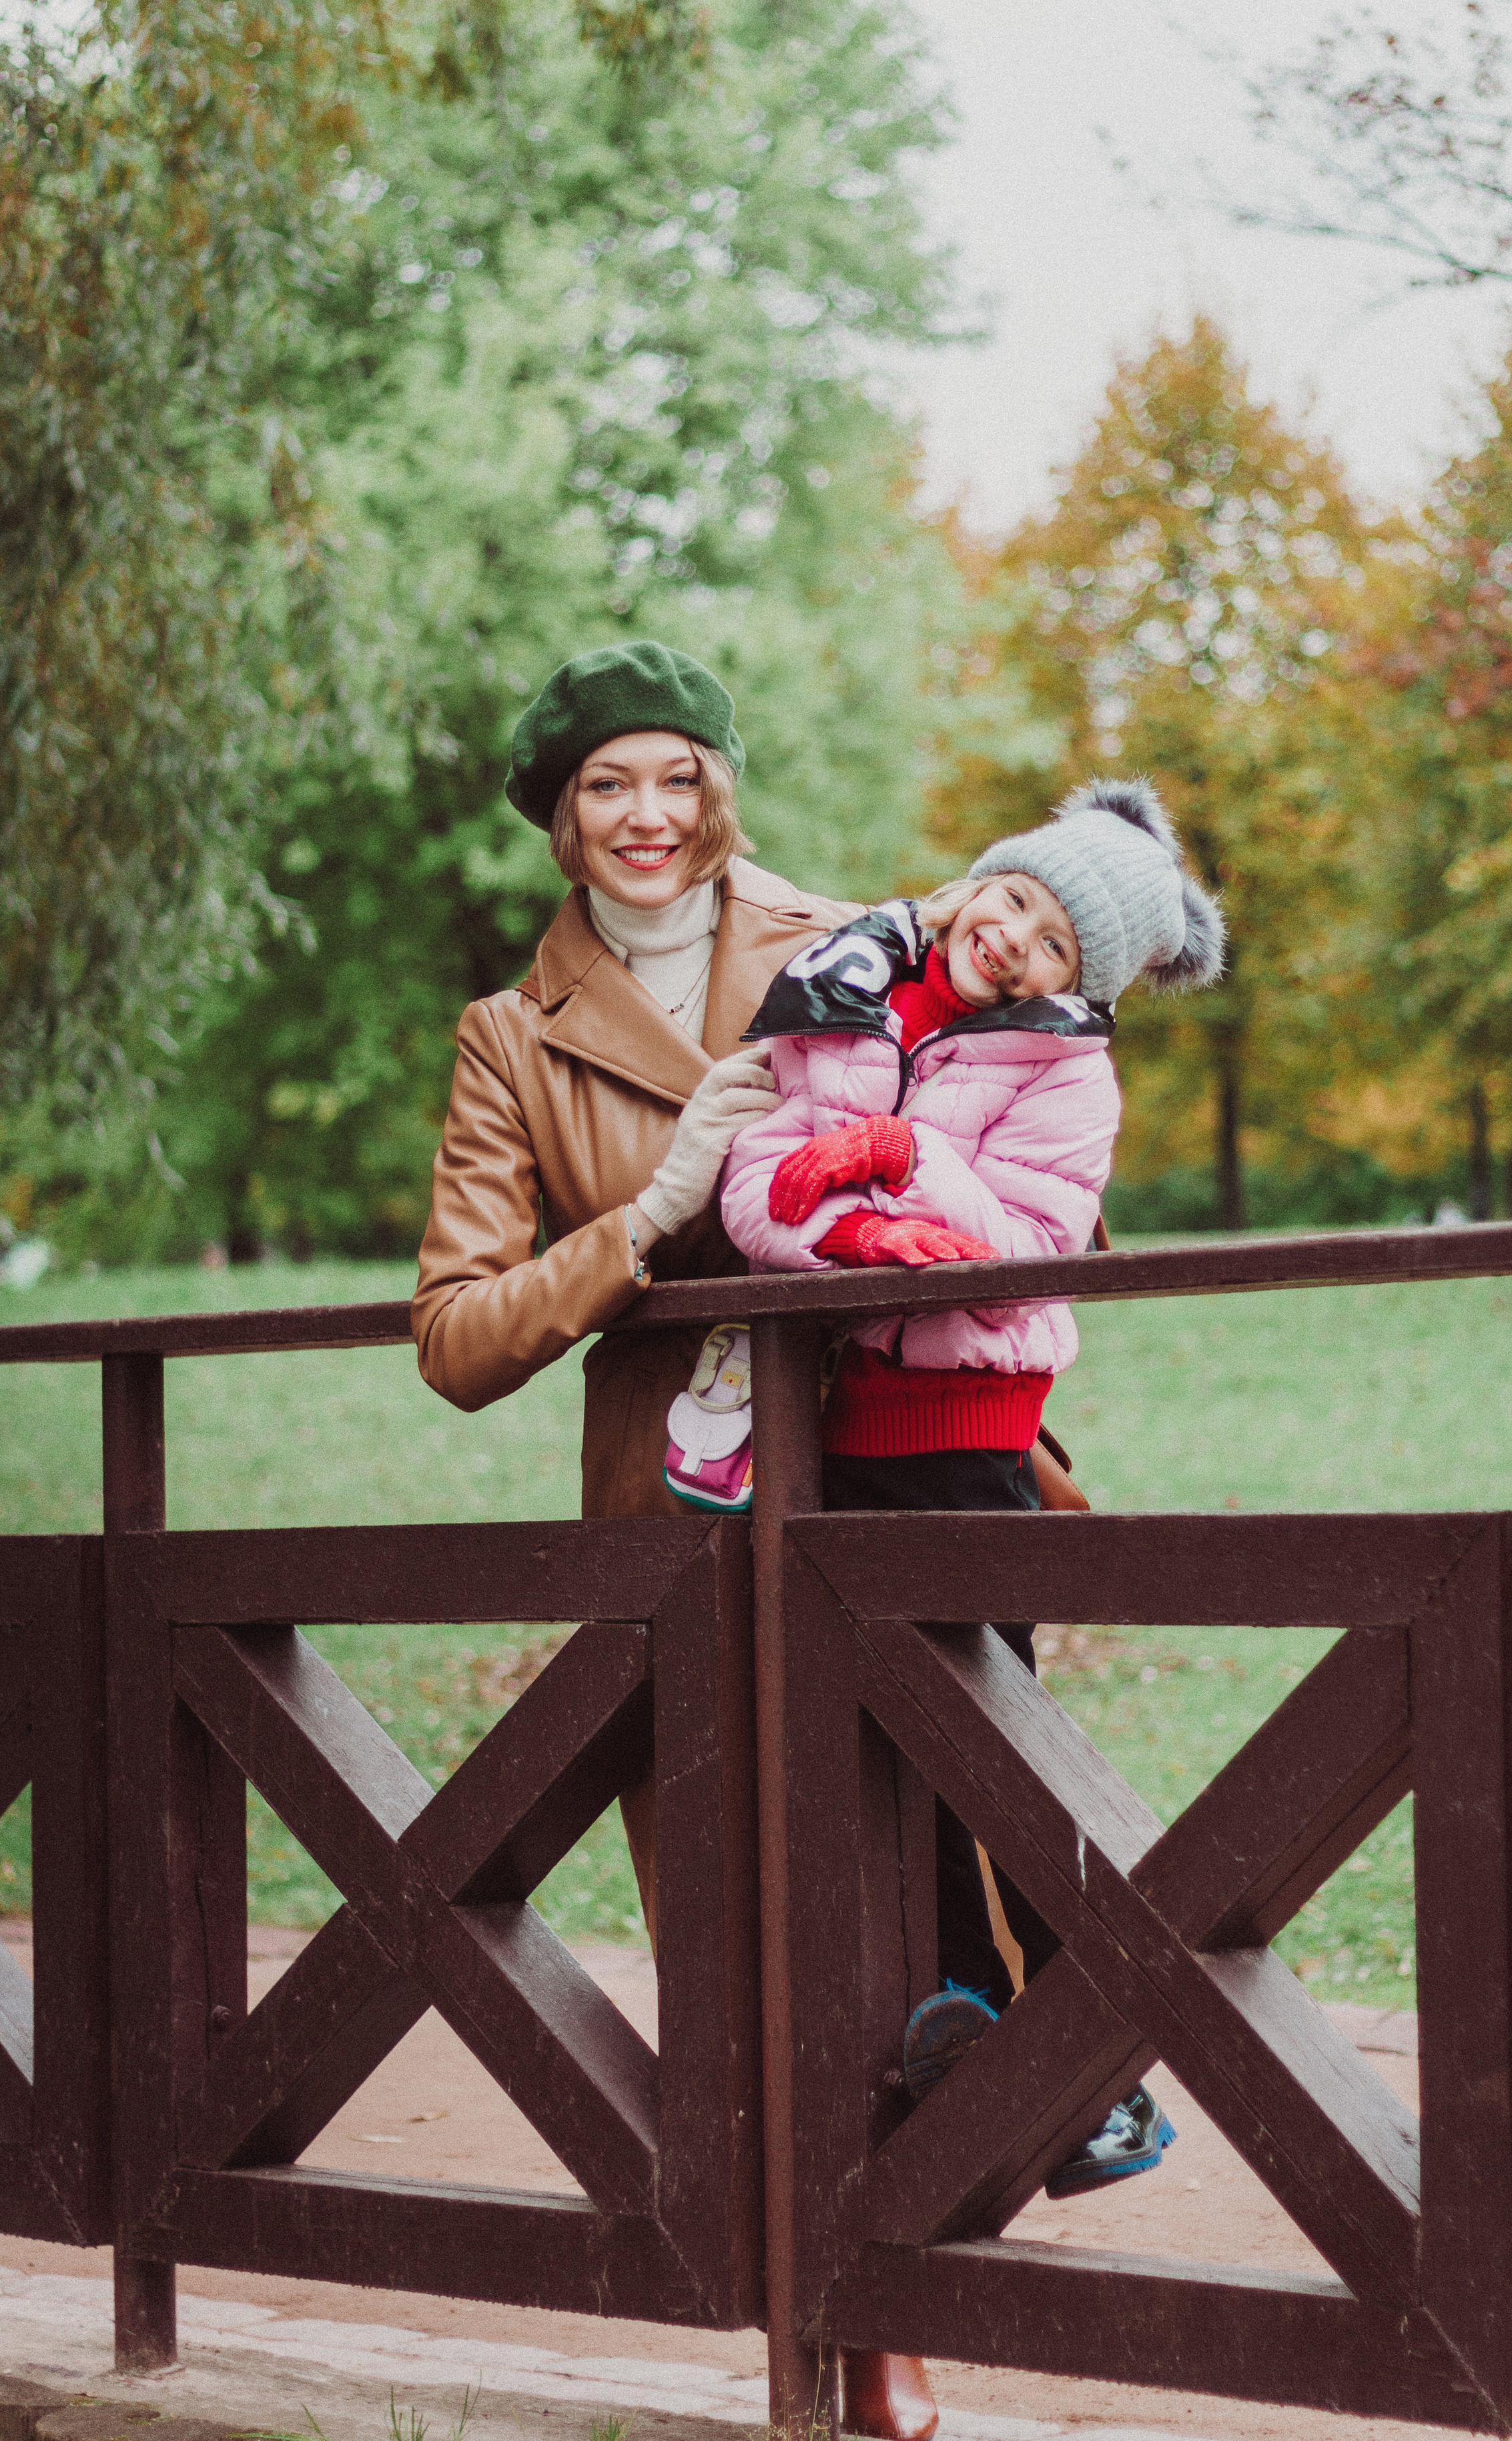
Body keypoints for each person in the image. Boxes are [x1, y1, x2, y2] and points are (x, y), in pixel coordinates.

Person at [412, 640, 936, 2441]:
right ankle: (826, 2318)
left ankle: (892, 2305)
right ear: (560, 822)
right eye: (605, 790)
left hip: (889, 1483)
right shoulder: (511, 1038)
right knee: (734, 1940)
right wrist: (645, 1214)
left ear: (723, 783)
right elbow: (460, 1337)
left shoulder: (855, 939)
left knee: (919, 1901)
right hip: (676, 1536)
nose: (649, 819)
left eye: (675, 778)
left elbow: (989, 1157)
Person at [719, 779, 1224, 2254]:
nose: (1015, 939)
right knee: (895, 1762)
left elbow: (1012, 1258)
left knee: (993, 1754)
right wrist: (856, 1227)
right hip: (837, 1451)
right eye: (1012, 901)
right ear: (974, 881)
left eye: (1058, 944)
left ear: (1083, 988)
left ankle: (1099, 2059)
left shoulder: (1066, 1076)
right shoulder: (848, 994)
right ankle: (972, 2036)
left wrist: (896, 1162)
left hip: (967, 1448)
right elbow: (763, 1193)